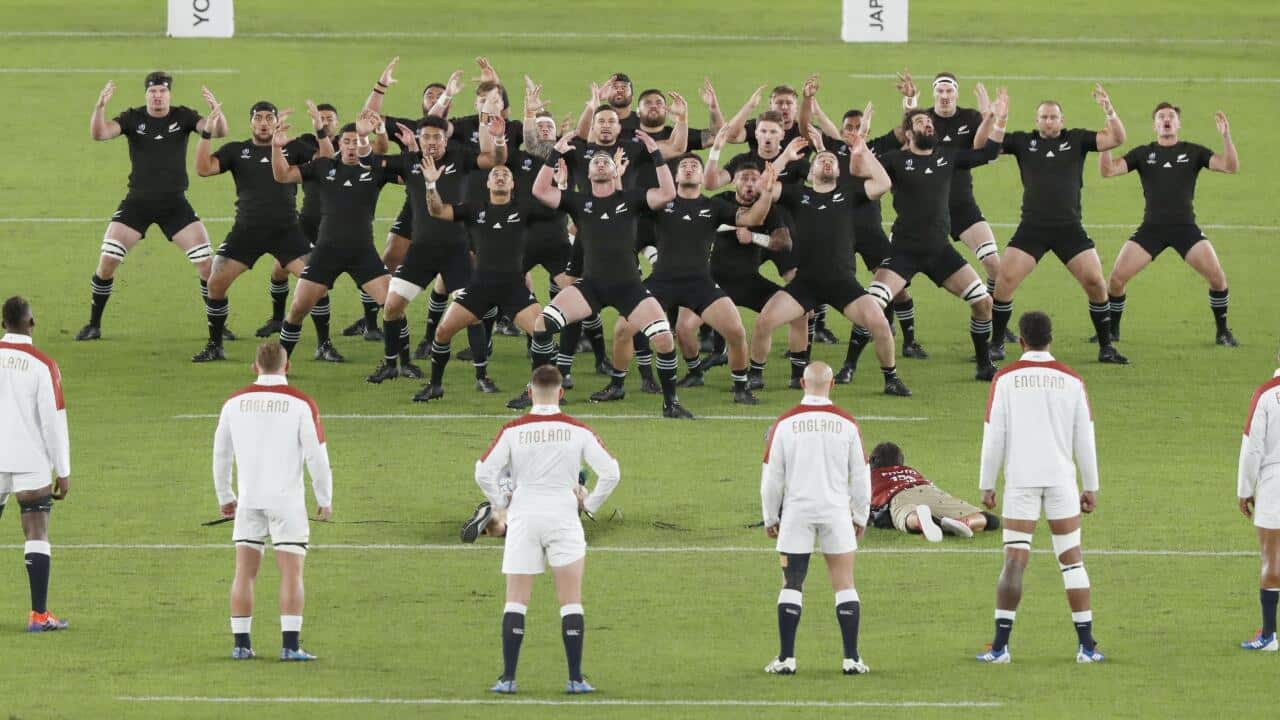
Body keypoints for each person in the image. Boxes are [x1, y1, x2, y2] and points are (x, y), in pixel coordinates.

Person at [517, 128, 690, 418]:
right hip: (591, 286)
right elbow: (540, 191)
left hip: (629, 287)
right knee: (542, 325)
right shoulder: (579, 201)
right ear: (587, 171)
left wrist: (655, 153)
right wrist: (555, 153)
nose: (600, 163)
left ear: (615, 171)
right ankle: (536, 391)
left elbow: (668, 193)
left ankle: (671, 403)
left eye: (606, 161)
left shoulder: (631, 199)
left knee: (664, 340)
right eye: (595, 161)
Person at [475, 366, 621, 694]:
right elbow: (611, 472)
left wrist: (503, 500)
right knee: (570, 600)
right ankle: (574, 678)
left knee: (516, 600)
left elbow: (483, 472)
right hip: (563, 517)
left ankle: (508, 679)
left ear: (530, 393)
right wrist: (590, 504)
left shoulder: (513, 429)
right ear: (561, 393)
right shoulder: (578, 429)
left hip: (523, 518)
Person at [592, 152, 774, 405]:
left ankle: (741, 388)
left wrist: (765, 193)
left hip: (700, 284)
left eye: (694, 166)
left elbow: (754, 218)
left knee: (736, 332)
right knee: (623, 330)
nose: (689, 169)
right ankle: (617, 385)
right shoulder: (660, 204)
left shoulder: (713, 207)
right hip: (661, 282)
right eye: (684, 166)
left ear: (702, 177)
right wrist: (617, 181)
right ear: (676, 176)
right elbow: (625, 208)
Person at [977, 311, 1102, 664]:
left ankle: (1000, 648)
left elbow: (994, 434)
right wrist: (1090, 485)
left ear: (1021, 341)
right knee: (1072, 560)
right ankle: (1087, 646)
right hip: (1062, 480)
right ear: (1051, 340)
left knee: (1015, 560)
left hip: (1021, 480)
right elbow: (1085, 437)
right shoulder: (1072, 379)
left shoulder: (1005, 378)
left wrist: (988, 484)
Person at [863, 93, 1008, 383]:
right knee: (871, 306)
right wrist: (860, 140)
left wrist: (999, 120)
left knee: (983, 303)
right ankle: (852, 366)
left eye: (929, 122)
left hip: (940, 251)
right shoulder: (894, 160)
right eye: (921, 122)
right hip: (904, 250)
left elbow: (988, 154)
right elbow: (860, 167)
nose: (928, 125)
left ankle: (984, 364)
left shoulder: (947, 157)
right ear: (908, 133)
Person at [751, 133, 910, 396]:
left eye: (832, 160)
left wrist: (863, 151)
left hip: (842, 283)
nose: (827, 162)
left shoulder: (850, 193)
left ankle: (891, 379)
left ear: (839, 171)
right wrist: (785, 156)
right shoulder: (797, 194)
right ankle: (755, 375)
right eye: (821, 159)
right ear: (811, 172)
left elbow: (883, 182)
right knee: (764, 321)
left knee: (879, 324)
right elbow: (761, 185)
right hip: (806, 282)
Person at [82, 72, 230, 342]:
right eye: (153, 92)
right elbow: (99, 134)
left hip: (175, 204)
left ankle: (219, 326)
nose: (158, 96)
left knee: (208, 268)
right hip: (137, 203)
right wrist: (100, 107)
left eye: (162, 91)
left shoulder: (183, 116)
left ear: (169, 94)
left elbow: (218, 132)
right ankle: (94, 325)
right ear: (146, 94)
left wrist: (215, 112)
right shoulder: (132, 118)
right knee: (106, 263)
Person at [192, 100, 343, 363]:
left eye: (268, 118)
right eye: (258, 118)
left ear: (276, 122)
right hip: (246, 231)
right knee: (215, 284)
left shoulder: (293, 147)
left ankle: (324, 345)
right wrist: (206, 132)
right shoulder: (236, 151)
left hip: (287, 230)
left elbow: (328, 160)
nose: (263, 123)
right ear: (250, 122)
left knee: (317, 285)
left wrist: (320, 130)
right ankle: (215, 345)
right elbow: (203, 169)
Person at [988, 86, 1129, 364]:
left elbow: (1117, 138)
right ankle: (996, 344)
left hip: (1068, 228)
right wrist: (999, 117)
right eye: (1044, 117)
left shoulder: (1077, 139)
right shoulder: (1021, 141)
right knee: (1004, 281)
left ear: (1061, 120)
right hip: (1032, 227)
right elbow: (989, 149)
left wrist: (1109, 110)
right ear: (1036, 120)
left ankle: (1106, 347)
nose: (1049, 121)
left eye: (1053, 117)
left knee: (1095, 282)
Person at [212, 342, 332, 661]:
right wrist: (324, 498)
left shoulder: (234, 402)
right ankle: (290, 647)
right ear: (287, 366)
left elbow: (221, 454)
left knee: (244, 572)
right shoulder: (301, 403)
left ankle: (241, 645)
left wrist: (225, 497)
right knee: (291, 573)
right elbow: (316, 456)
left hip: (249, 500)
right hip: (287, 502)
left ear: (255, 367)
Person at [366, 112, 505, 385]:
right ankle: (391, 364)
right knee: (392, 307)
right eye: (426, 136)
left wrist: (498, 138)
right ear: (419, 139)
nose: (432, 142)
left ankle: (482, 376)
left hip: (456, 251)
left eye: (437, 137)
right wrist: (372, 133)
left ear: (445, 139)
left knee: (472, 314)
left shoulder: (460, 157)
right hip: (420, 251)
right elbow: (369, 161)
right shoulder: (409, 162)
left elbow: (495, 159)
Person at [760, 362, 871, 676]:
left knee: (792, 583)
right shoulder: (848, 424)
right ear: (832, 384)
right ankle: (851, 658)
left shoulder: (785, 423)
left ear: (801, 383)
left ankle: (786, 659)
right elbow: (861, 476)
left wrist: (770, 516)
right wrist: (861, 514)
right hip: (836, 512)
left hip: (797, 513)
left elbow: (771, 477)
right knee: (844, 583)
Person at [1098, 104, 1239, 346]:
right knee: (1116, 279)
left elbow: (1230, 166)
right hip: (1151, 229)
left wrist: (1226, 136)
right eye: (1161, 117)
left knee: (1218, 278)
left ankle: (1223, 332)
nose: (1166, 120)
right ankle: (1112, 331)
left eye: (1171, 117)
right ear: (1154, 125)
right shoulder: (1143, 153)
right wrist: (1106, 145)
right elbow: (1108, 171)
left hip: (1185, 229)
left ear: (1178, 124)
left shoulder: (1193, 152)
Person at [269, 113, 397, 377]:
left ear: (363, 144)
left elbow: (404, 168)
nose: (351, 146)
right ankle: (280, 366)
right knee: (297, 310)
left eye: (356, 141)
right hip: (325, 253)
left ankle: (398, 364)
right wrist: (275, 148)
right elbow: (282, 176)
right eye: (347, 141)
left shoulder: (374, 170)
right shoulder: (323, 167)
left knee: (393, 307)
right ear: (340, 145)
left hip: (363, 252)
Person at [415, 159, 548, 401]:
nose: (500, 176)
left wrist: (559, 183)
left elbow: (556, 209)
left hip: (513, 287)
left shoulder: (524, 209)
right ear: (487, 183)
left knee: (541, 333)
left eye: (505, 174)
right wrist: (431, 184)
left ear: (512, 183)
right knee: (443, 332)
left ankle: (535, 391)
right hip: (479, 287)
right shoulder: (474, 209)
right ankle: (435, 386)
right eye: (495, 173)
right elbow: (437, 210)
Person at [894, 72, 1006, 306]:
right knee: (893, 278)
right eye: (940, 91)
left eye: (949, 91)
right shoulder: (924, 121)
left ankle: (995, 321)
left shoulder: (970, 117)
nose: (944, 96)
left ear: (956, 93)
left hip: (961, 204)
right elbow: (907, 140)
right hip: (925, 212)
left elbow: (981, 150)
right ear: (934, 93)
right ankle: (888, 322)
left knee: (995, 265)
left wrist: (989, 117)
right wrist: (910, 102)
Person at [0, 297, 71, 632]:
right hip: (29, 460)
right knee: (36, 531)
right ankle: (38, 615)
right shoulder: (42, 364)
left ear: (3, 324)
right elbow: (53, 422)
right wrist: (64, 470)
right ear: (32, 323)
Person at [1236, 349, 1280, 652]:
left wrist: (1245, 489)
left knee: (1272, 557)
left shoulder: (1266, 395)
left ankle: (1268, 635)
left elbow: (1252, 447)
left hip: (1274, 482)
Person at [867, 441, 993, 541]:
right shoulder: (911, 471)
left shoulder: (871, 475)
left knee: (906, 516)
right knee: (989, 519)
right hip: (930, 491)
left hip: (899, 495)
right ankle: (965, 522)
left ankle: (919, 521)